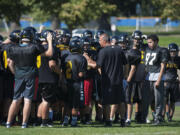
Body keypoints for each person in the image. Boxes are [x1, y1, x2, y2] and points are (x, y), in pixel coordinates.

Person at [6, 28, 53, 128]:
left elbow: (9, 63)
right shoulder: (34, 47)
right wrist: (49, 41)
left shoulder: (13, 47)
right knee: (27, 100)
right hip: (30, 75)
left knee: (16, 99)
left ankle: (8, 123)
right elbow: (49, 54)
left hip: (19, 75)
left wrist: (15, 73)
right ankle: (24, 124)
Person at [84, 33, 127, 127]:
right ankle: (123, 120)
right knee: (120, 101)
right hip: (119, 79)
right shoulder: (119, 49)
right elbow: (125, 63)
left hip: (107, 80)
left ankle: (108, 121)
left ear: (104, 40)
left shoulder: (103, 51)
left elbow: (97, 66)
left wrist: (87, 60)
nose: (99, 42)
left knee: (106, 102)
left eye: (99, 40)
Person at [36, 30, 61, 127]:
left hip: (40, 77)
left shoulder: (38, 48)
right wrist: (60, 73)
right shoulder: (52, 48)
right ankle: (44, 121)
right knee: (46, 101)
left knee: (43, 100)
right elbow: (52, 65)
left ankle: (39, 119)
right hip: (49, 78)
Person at [61, 39, 87, 127]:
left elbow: (62, 71)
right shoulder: (82, 58)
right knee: (75, 104)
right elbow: (80, 74)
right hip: (76, 83)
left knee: (68, 103)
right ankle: (74, 121)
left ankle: (65, 120)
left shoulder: (65, 57)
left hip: (67, 82)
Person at [144, 34, 169, 125]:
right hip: (148, 77)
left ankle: (158, 118)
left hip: (157, 76)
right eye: (148, 42)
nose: (149, 44)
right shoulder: (147, 49)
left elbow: (163, 66)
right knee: (147, 99)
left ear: (156, 41)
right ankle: (145, 117)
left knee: (158, 100)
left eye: (150, 42)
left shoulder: (162, 50)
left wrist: (159, 79)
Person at [164, 43, 180, 121]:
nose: (173, 53)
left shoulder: (178, 59)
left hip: (174, 82)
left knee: (173, 101)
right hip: (166, 82)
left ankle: (170, 117)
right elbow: (162, 71)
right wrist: (163, 80)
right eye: (171, 51)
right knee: (165, 100)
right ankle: (166, 114)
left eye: (175, 51)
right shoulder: (165, 59)